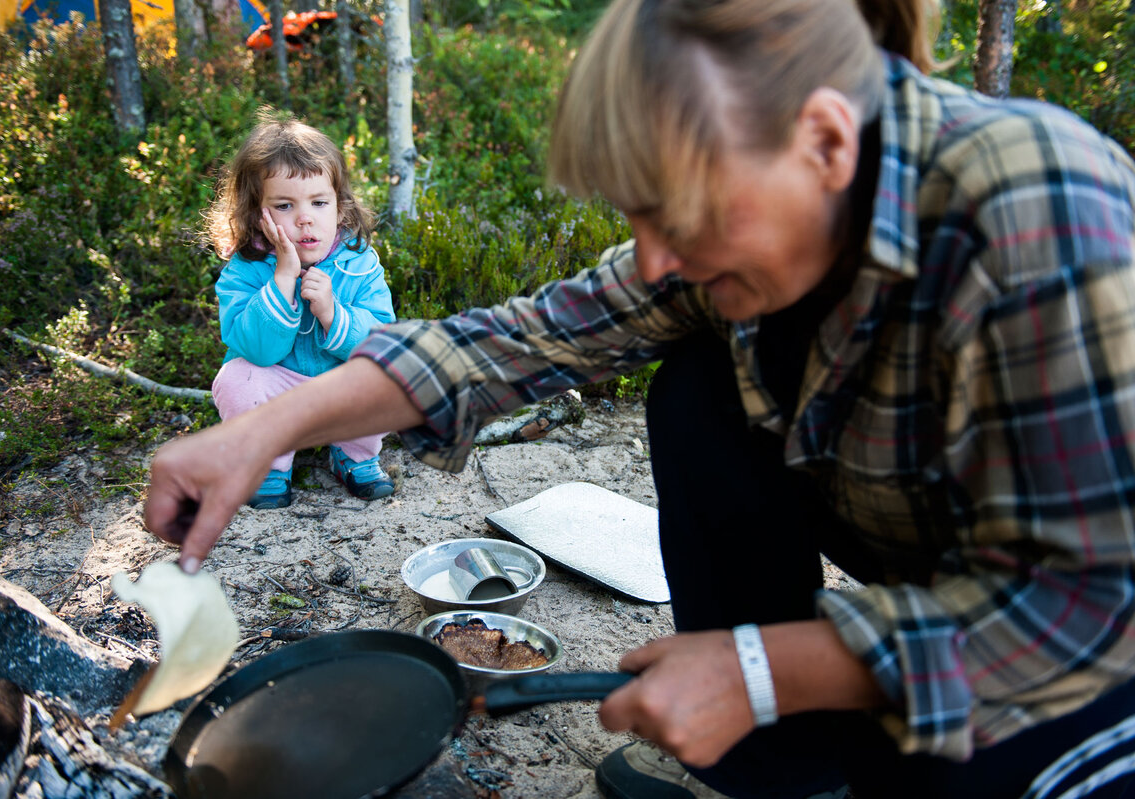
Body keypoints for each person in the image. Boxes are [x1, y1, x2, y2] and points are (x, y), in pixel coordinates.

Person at [146, 1, 1135, 796]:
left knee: (954, 769)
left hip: (1083, 647)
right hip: (935, 564)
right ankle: (775, 768)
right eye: (637, 217)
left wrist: (761, 669)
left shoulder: (1038, 221)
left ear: (827, 142)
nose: (658, 259)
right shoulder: (747, 217)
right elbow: (518, 338)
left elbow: (1092, 602)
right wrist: (264, 427)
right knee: (699, 387)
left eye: (679, 216)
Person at [203, 114, 396, 508]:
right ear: (257, 213)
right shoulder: (245, 270)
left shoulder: (358, 264)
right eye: (285, 205)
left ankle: (354, 453)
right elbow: (256, 351)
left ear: (340, 210)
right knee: (236, 379)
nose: (305, 217)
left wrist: (332, 313)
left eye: (319, 202)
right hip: (279, 388)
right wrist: (283, 278)